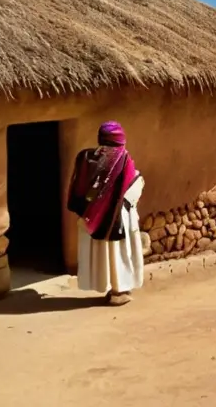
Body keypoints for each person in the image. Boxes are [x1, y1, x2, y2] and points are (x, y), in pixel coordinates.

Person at [66, 121, 145, 306]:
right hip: (117, 219)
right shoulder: (124, 161)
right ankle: (119, 291)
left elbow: (80, 189)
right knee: (117, 254)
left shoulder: (86, 159)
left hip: (91, 219)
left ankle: (109, 287)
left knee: (102, 255)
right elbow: (130, 187)